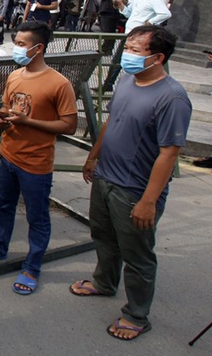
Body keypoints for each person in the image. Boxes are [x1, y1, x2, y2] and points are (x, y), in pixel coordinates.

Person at [70, 26, 191, 342]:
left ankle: (136, 315)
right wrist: (93, 157)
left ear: (158, 58)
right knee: (104, 236)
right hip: (106, 178)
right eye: (129, 48)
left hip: (134, 191)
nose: (128, 55)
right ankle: (104, 282)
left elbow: (169, 153)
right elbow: (112, 121)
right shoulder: (127, 81)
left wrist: (148, 200)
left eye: (137, 50)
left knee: (137, 254)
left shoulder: (172, 98)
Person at [0, 21, 78, 296]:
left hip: (36, 163)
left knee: (37, 217)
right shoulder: (15, 75)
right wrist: (2, 119)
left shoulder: (59, 83)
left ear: (38, 48)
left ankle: (32, 266)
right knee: (2, 206)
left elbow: (69, 125)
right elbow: (9, 107)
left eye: (21, 44)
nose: (15, 48)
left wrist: (29, 122)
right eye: (15, 42)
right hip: (7, 155)